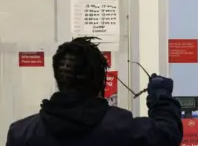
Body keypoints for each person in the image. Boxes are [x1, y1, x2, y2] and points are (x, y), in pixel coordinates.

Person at [5, 37, 183, 146]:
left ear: (59, 79)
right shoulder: (122, 128)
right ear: (100, 82)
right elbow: (167, 134)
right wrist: (161, 96)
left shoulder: (22, 134)